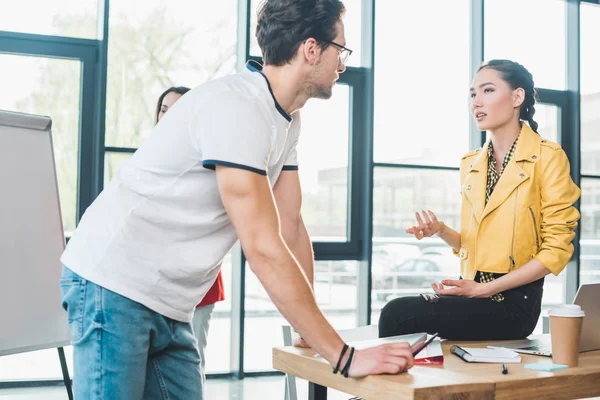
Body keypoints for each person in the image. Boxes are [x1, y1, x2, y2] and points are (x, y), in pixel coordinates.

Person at [59, 1, 415, 398]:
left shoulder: (286, 120)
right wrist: (343, 356)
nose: (343, 63)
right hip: (114, 281)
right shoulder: (237, 106)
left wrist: (308, 331)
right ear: (311, 49)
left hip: (170, 303)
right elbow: (262, 245)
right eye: (340, 50)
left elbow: (291, 224)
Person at [378, 59, 581, 341]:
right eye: (473, 94)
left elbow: (556, 250)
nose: (476, 102)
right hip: (473, 291)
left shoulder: (548, 157)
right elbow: (474, 245)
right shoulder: (471, 163)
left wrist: (484, 290)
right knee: (398, 315)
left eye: (487, 91)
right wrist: (441, 231)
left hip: (514, 304)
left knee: (397, 314)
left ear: (517, 97)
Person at [155, 85, 227, 381]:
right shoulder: (151, 158)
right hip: (155, 281)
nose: (168, 116)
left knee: (190, 365)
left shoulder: (210, 158)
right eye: (163, 109)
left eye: (177, 109)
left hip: (197, 282)